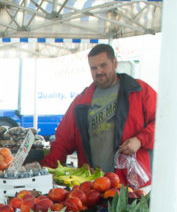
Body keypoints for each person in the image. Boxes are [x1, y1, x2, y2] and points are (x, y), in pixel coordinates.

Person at [40, 44, 157, 185]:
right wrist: (41, 172)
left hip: (130, 185)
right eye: (94, 68)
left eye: (103, 65)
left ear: (114, 63)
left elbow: (165, 122)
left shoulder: (139, 91)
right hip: (93, 188)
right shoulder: (81, 101)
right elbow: (62, 141)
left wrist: (140, 140)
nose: (99, 71)